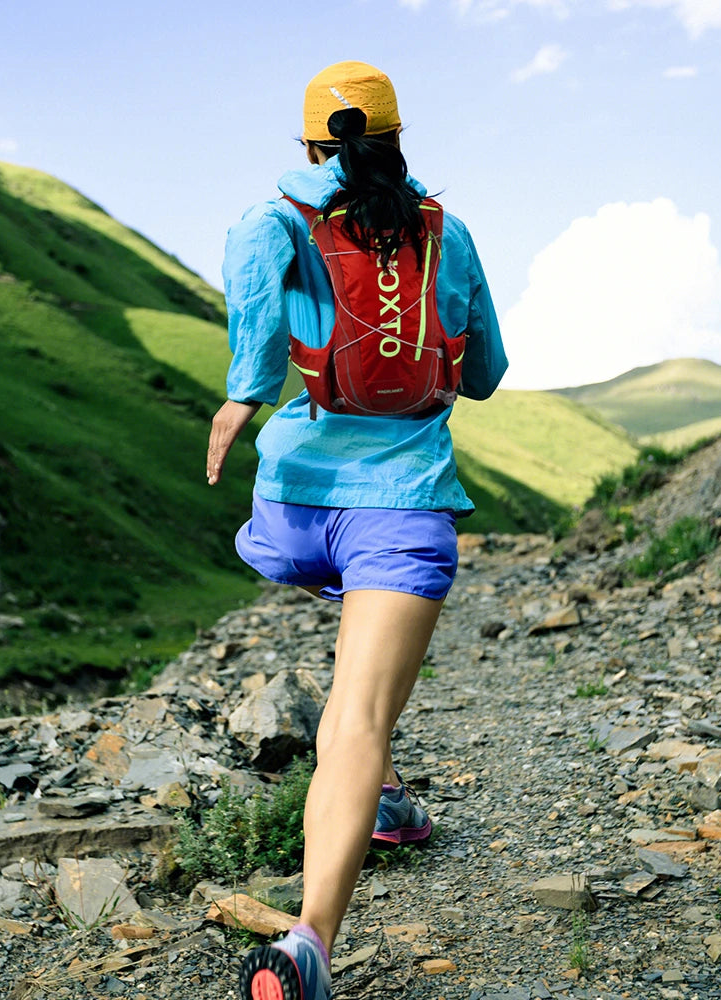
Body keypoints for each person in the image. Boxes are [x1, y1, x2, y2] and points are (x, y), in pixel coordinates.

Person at [206, 60, 508, 1000]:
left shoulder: (272, 220)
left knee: (355, 690)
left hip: (291, 512)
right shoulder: (445, 237)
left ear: (308, 146)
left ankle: (373, 801)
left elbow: (254, 338)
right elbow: (489, 372)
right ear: (398, 137)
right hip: (402, 507)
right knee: (360, 713)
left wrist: (239, 402)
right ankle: (308, 947)